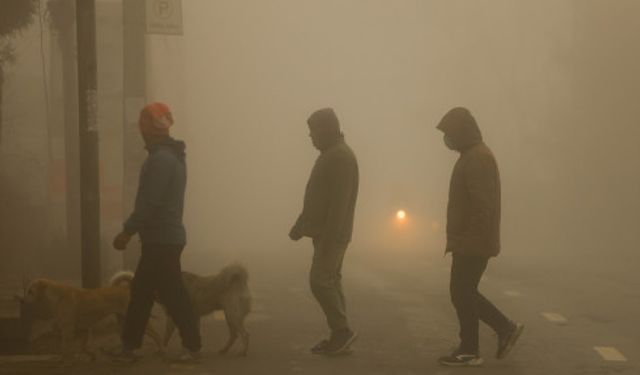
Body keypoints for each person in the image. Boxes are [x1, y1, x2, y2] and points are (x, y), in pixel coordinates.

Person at [111, 102, 201, 362]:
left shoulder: (161, 160)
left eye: (143, 124)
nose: (141, 129)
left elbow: (150, 203)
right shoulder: (168, 156)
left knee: (169, 293)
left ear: (149, 128)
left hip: (162, 239)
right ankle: (130, 347)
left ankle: (192, 346)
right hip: (164, 238)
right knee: (143, 291)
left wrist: (127, 231)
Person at [436, 107, 523, 367]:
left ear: (462, 131)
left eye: (450, 133)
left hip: (473, 241)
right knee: (464, 292)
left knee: (461, 292)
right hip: (470, 240)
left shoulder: (477, 158)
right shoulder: (471, 155)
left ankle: (477, 344)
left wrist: (467, 240)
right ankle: (490, 335)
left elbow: (481, 206)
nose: (447, 139)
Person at [289, 108, 359, 356]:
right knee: (331, 280)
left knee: (319, 281)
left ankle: (342, 331)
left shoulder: (340, 157)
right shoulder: (331, 154)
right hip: (326, 232)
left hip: (333, 233)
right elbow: (318, 197)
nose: (311, 137)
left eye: (313, 131)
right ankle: (340, 334)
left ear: (326, 129)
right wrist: (301, 225)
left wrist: (330, 236)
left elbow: (339, 202)